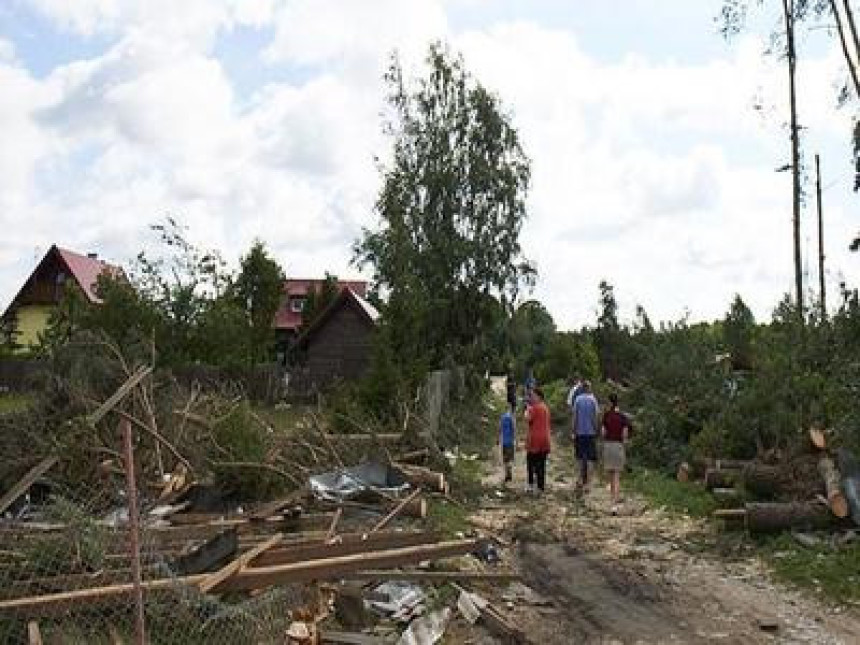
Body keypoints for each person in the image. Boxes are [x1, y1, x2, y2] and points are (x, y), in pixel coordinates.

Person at [601, 392, 632, 513]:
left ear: (610, 403)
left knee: (610, 476)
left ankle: (611, 503)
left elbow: (603, 432)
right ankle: (615, 503)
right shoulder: (623, 417)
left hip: (608, 445)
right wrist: (624, 446)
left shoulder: (606, 416)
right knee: (617, 476)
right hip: (618, 446)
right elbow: (625, 435)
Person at [572, 380, 599, 493]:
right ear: (589, 388)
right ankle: (588, 484)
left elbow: (575, 417)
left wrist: (573, 430)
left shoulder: (577, 400)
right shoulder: (593, 400)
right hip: (590, 433)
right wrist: (596, 429)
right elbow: (595, 417)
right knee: (590, 459)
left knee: (579, 457)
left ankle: (578, 480)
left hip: (579, 432)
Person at [524, 387, 551, 493]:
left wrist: (527, 409)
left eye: (533, 395)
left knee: (531, 463)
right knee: (541, 464)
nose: (531, 397)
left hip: (535, 439)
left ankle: (530, 485)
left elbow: (527, 418)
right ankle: (540, 486)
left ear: (539, 396)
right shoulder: (545, 407)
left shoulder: (534, 408)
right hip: (545, 439)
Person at [498, 406, 516, 484]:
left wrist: (498, 439)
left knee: (505, 459)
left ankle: (507, 474)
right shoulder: (511, 418)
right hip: (510, 442)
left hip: (504, 442)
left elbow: (500, 429)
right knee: (510, 459)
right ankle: (509, 473)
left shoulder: (502, 418)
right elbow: (514, 429)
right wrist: (515, 440)